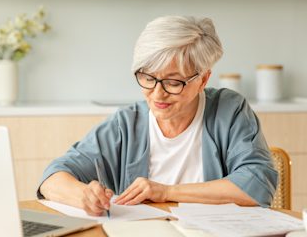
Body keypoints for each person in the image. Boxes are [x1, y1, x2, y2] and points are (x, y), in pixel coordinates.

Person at [38, 16, 278, 216]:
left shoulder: (229, 110)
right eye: (148, 78)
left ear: (203, 79)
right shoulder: (126, 124)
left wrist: (165, 192)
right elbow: (53, 178)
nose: (157, 94)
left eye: (173, 82)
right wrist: (84, 196)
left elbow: (256, 185)